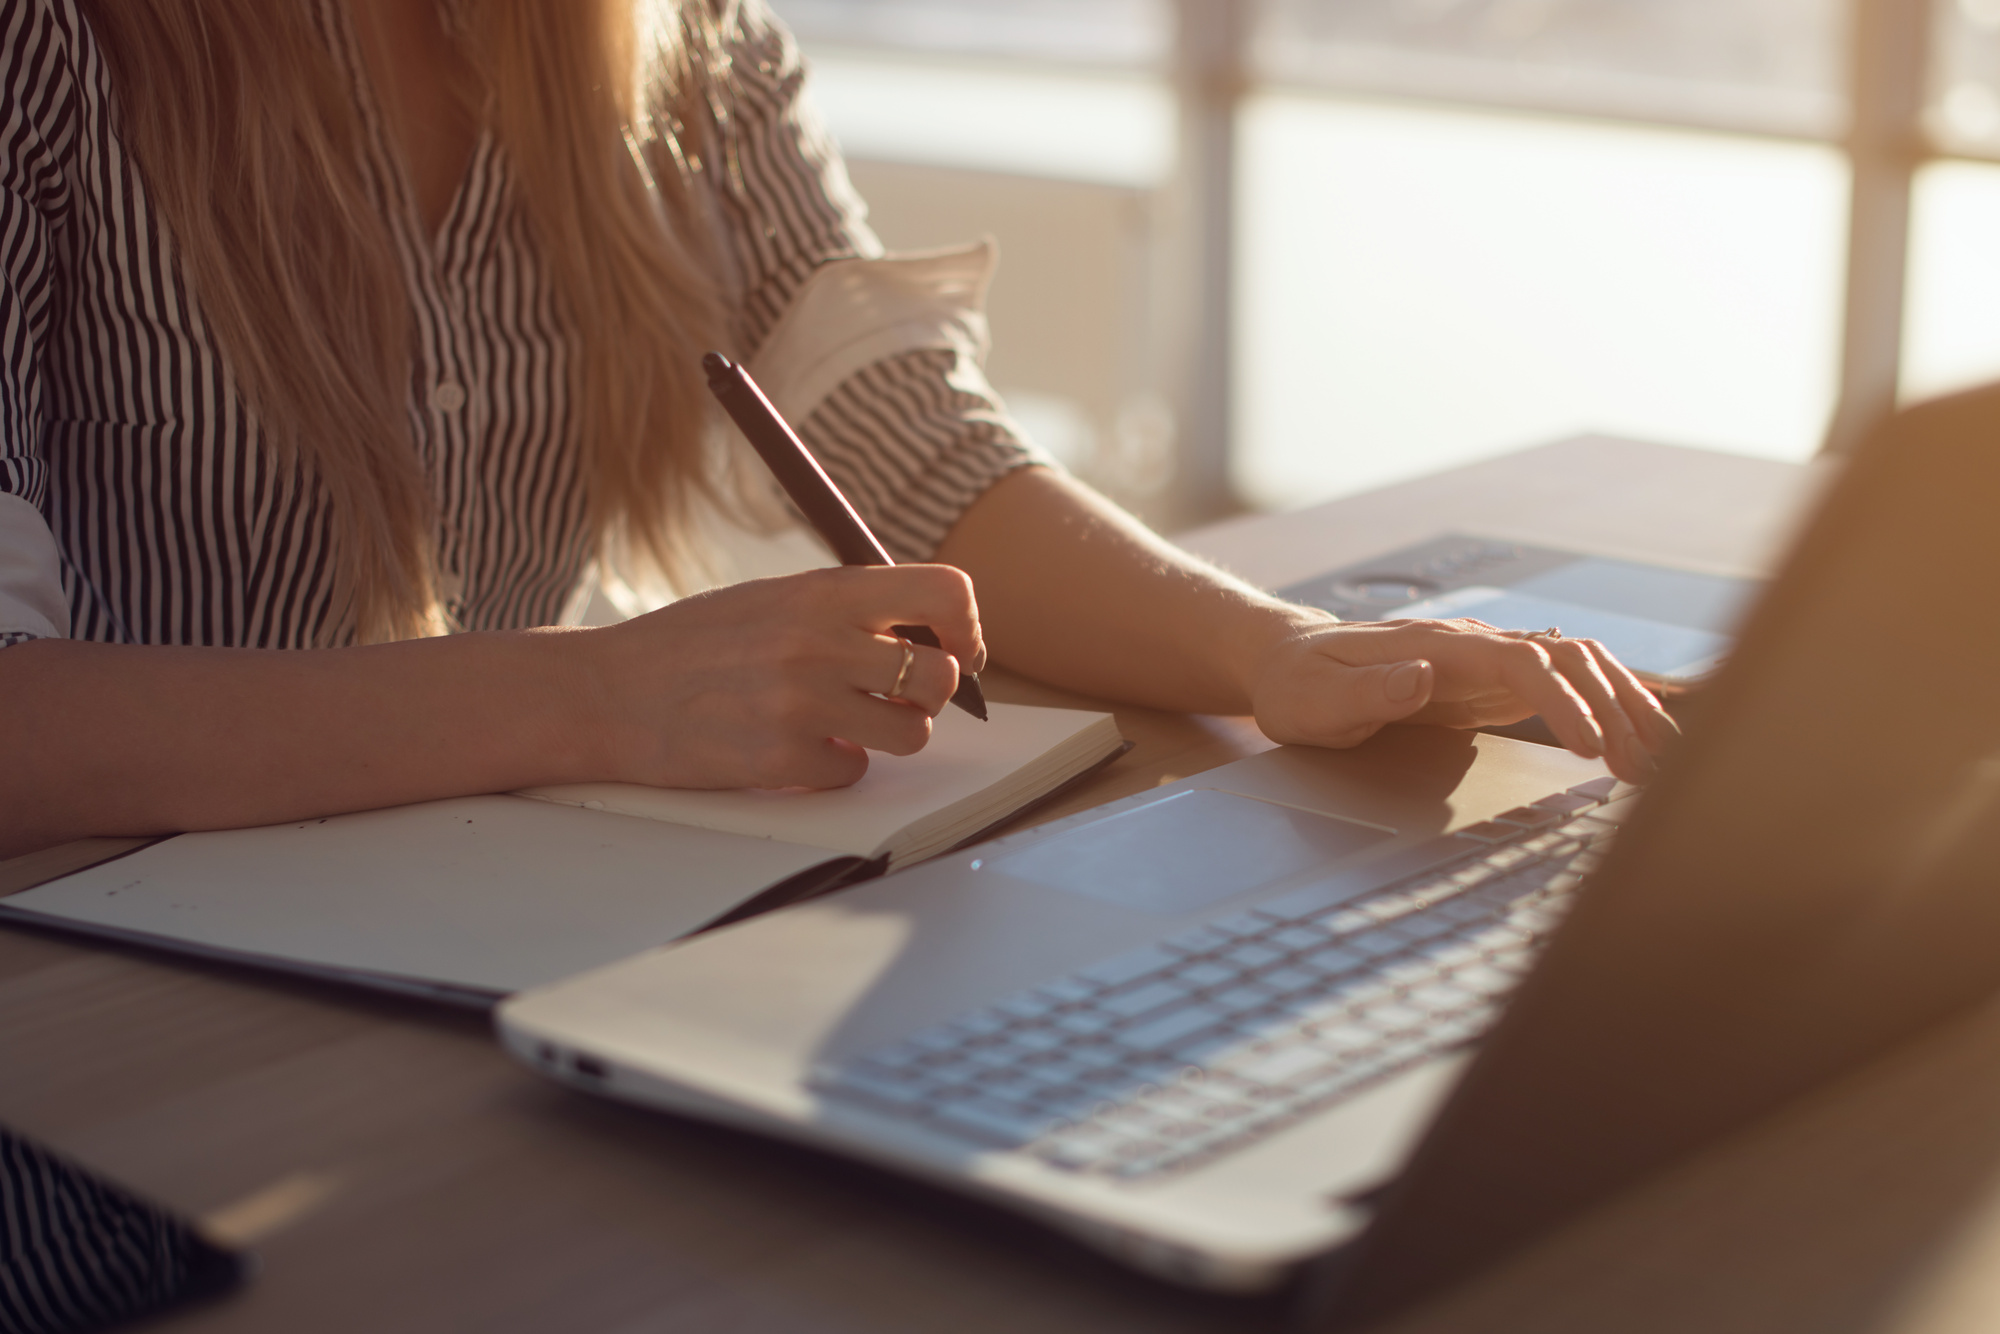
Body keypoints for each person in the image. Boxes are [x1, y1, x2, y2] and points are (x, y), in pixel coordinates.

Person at [0, 0, 1676, 862]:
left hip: (502, 908)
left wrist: (1283, 650)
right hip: (104, 977)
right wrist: (592, 692)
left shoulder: (669, 40)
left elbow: (917, 455)